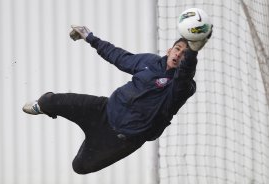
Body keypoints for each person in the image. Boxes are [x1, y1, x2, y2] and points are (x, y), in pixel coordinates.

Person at [22, 25, 212, 174]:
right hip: (103, 110)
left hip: (121, 139)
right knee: (49, 102)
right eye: (177, 49)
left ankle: (85, 145)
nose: (179, 54)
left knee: (79, 167)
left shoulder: (184, 87)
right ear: (169, 49)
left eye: (184, 54)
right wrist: (90, 37)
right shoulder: (150, 62)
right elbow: (119, 57)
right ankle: (43, 107)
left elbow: (184, 75)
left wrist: (193, 53)